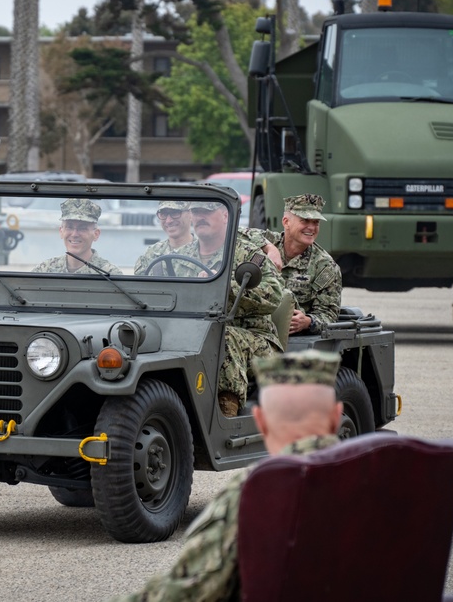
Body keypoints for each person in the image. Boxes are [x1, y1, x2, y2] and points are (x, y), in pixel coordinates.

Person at [111, 350, 343, 602]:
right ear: (336, 416)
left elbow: (187, 589)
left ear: (260, 422)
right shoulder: (385, 482)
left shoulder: (252, 495)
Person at [250, 194, 342, 336]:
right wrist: (269, 248)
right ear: (286, 222)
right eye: (305, 221)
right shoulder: (265, 242)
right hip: (251, 326)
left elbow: (329, 315)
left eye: (316, 222)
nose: (311, 228)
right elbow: (236, 233)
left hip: (288, 336)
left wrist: (308, 322)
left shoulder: (325, 267)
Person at [217, 227, 285, 417]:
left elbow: (274, 294)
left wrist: (225, 288)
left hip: (258, 338)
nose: (200, 218)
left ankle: (227, 414)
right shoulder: (184, 253)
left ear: (224, 216)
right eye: (196, 212)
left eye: (207, 212)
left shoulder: (249, 254)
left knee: (224, 337)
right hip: (204, 331)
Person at [32, 199, 121, 275]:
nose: (74, 234)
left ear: (96, 234)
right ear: (61, 231)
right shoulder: (45, 270)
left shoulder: (109, 274)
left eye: (82, 228)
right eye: (69, 227)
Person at [133, 201, 194, 276]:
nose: (168, 221)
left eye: (175, 213)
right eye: (163, 214)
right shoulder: (151, 254)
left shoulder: (204, 252)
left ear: (190, 214)